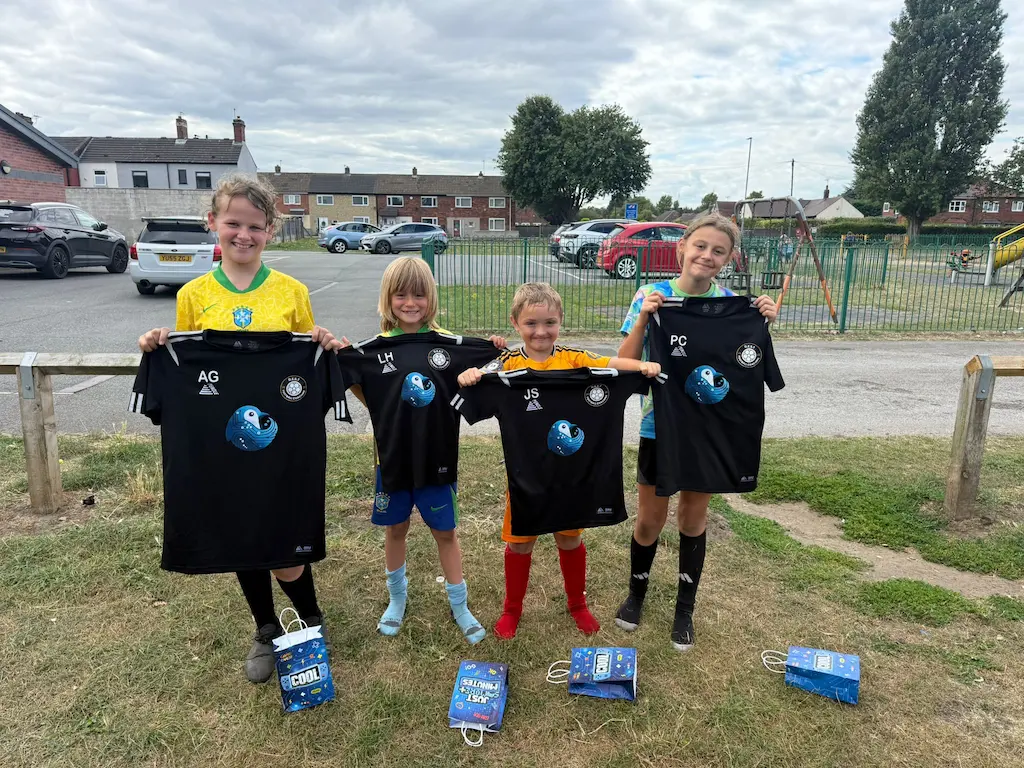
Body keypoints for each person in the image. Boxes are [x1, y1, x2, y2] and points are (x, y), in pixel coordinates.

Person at [137, 174, 343, 684]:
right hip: (222, 441)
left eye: (254, 226)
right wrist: (158, 343)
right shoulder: (194, 293)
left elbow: (303, 361)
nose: (243, 235)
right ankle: (265, 627)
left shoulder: (292, 292)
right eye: (233, 224)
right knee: (239, 531)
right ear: (214, 224)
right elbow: (186, 354)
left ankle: (310, 620)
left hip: (277, 439)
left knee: (285, 538)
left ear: (270, 230)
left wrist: (318, 339)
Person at [457, 282, 662, 640]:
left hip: (573, 477)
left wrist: (641, 366)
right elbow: (472, 383)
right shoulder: (506, 365)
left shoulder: (574, 358)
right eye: (531, 324)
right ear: (516, 323)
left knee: (570, 540)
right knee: (520, 543)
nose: (541, 331)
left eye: (549, 323)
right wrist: (470, 376)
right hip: (527, 478)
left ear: (561, 321)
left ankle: (577, 604)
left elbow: (611, 364)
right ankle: (512, 609)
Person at [613, 213, 778, 652]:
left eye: (718, 250)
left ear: (729, 258)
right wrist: (647, 319)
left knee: (693, 517)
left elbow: (744, 358)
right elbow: (621, 361)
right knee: (650, 519)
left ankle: (685, 608)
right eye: (701, 246)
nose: (707, 256)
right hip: (660, 425)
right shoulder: (651, 295)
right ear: (683, 246)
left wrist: (762, 323)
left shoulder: (733, 302)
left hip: (710, 429)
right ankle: (636, 594)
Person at [341, 257, 505, 645]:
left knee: (445, 533)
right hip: (393, 461)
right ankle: (397, 599)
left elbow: (496, 364)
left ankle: (460, 604)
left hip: (438, 460)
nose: (410, 302)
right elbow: (360, 387)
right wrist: (343, 356)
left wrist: (494, 351)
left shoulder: (450, 346)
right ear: (388, 298)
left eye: (418, 294)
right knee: (395, 529)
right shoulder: (371, 351)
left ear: (430, 298)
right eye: (401, 294)